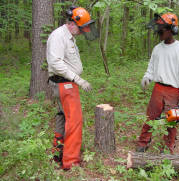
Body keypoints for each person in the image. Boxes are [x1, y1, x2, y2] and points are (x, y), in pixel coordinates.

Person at [46, 6, 98, 170]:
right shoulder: (58, 36)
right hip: (64, 84)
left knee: (62, 117)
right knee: (75, 121)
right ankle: (70, 162)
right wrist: (78, 79)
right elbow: (55, 63)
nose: (83, 32)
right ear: (73, 23)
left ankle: (58, 153)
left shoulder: (68, 36)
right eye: (81, 29)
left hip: (66, 84)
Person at [136, 13, 179, 154]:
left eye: (162, 30)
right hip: (158, 88)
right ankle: (144, 141)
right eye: (158, 30)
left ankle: (168, 147)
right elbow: (151, 68)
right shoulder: (157, 49)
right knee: (151, 117)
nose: (159, 32)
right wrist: (146, 77)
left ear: (171, 30)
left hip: (174, 91)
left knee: (171, 122)